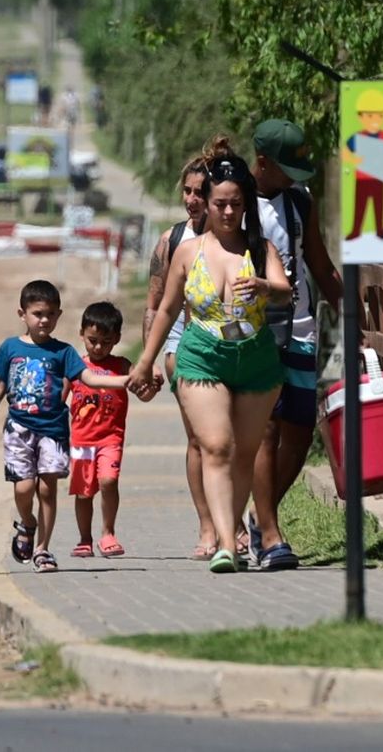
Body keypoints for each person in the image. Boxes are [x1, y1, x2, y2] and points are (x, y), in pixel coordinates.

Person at [129, 138, 291, 573]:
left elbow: (285, 290)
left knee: (244, 452)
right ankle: (225, 543)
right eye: (219, 203)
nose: (225, 211)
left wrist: (264, 287)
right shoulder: (188, 250)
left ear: (245, 205)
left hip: (254, 357)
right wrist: (145, 360)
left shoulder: (260, 250)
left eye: (235, 203)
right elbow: (165, 308)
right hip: (201, 355)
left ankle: (233, 530)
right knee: (216, 446)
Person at [0, 280, 147, 574]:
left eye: (49, 314)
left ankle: (43, 550)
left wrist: (125, 380)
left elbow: (90, 379)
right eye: (37, 314)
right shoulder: (10, 348)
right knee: (23, 489)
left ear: (59, 315)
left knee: (47, 490)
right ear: (22, 314)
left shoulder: (64, 352)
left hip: (53, 431)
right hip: (19, 430)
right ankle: (28, 523)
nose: (43, 320)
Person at [246, 119, 342, 572]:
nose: (294, 179)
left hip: (299, 328)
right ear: (262, 163)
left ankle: (261, 515)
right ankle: (270, 536)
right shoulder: (234, 202)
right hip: (253, 333)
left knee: (301, 433)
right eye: (286, 169)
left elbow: (319, 263)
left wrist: (351, 313)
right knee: (266, 431)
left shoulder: (299, 201)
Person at [144, 155, 217, 559]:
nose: (191, 200)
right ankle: (208, 526)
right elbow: (154, 304)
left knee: (226, 441)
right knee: (199, 438)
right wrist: (149, 361)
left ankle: (232, 523)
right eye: (186, 191)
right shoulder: (171, 241)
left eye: (200, 192)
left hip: (223, 335)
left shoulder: (235, 237)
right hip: (179, 339)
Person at [67, 302, 132, 559]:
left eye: (106, 342)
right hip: (81, 442)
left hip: (110, 438)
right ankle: (85, 539)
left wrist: (154, 371)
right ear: (81, 334)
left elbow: (139, 374)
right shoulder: (75, 367)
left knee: (108, 480)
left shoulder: (121, 365)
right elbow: (59, 401)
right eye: (92, 340)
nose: (98, 347)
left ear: (116, 339)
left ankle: (108, 533)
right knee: (84, 493)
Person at [342, 88, 383, 240]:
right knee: (360, 206)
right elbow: (344, 152)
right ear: (361, 117)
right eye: (369, 116)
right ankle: (356, 230)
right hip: (362, 179)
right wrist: (355, 160)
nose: (375, 120)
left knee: (379, 206)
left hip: (379, 178)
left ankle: (380, 230)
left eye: (379, 116)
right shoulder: (358, 137)